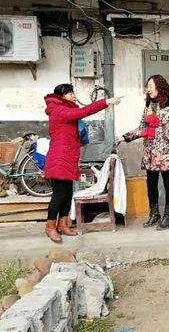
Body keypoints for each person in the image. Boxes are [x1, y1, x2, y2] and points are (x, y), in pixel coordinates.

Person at [44, 84, 121, 243]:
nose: (73, 96)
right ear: (61, 97)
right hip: (59, 159)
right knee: (59, 195)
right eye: (69, 93)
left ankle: (63, 224)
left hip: (68, 158)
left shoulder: (65, 111)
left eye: (73, 93)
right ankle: (50, 226)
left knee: (68, 194)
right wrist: (106, 102)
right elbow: (85, 111)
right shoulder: (59, 111)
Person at [116, 75, 169, 230]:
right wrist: (125, 137)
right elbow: (142, 128)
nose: (148, 89)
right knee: (151, 183)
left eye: (150, 86)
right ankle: (154, 214)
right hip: (150, 151)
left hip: (165, 152)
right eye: (147, 87)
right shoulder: (150, 105)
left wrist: (166, 138)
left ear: (159, 87)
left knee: (168, 183)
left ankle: (168, 216)